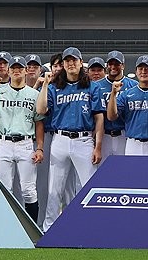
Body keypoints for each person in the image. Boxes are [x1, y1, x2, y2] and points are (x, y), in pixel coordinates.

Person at [36, 47, 104, 231]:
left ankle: (87, 227)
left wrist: (98, 146)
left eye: (74, 60)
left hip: (84, 139)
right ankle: (49, 228)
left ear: (81, 63)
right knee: (54, 188)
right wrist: (45, 85)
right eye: (67, 60)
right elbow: (41, 110)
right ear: (63, 64)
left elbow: (99, 118)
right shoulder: (54, 87)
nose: (71, 63)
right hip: (60, 139)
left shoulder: (92, 86)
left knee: (87, 186)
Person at [0, 56, 44, 221]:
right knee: (4, 189)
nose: (16, 71)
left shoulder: (34, 94)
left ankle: (32, 228)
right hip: (4, 142)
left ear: (25, 71)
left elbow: (39, 122)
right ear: (9, 71)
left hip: (25, 143)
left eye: (20, 68)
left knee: (28, 190)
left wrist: (39, 147)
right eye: (13, 68)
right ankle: (6, 227)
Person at [108, 55, 148, 155]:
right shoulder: (127, 94)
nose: (143, 71)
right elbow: (111, 117)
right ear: (136, 71)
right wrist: (113, 94)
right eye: (140, 68)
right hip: (133, 143)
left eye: (147, 69)